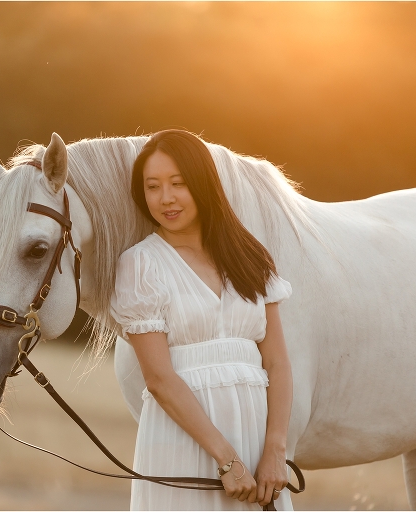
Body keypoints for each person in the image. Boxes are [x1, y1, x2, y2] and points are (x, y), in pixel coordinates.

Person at [110, 130, 294, 510]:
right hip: (184, 443)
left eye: (178, 183)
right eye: (153, 186)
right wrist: (226, 458)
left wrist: (275, 450)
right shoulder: (141, 265)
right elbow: (159, 379)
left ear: (202, 183)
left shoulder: (250, 257)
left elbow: (277, 363)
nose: (166, 198)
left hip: (256, 445)